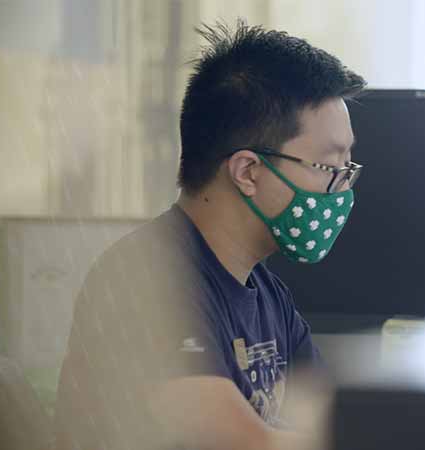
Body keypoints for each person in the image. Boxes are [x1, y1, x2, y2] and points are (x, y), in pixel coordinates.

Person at [54, 19, 366, 450]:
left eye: (347, 169)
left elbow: (334, 424)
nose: (342, 189)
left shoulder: (267, 294)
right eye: (330, 168)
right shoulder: (145, 280)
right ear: (248, 171)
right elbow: (243, 444)